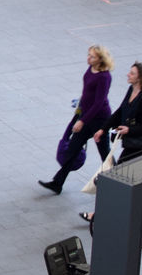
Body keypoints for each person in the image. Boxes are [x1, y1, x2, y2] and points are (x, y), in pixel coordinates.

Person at [40, 45, 114, 194]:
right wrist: (78, 114)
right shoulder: (90, 69)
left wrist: (82, 121)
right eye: (88, 55)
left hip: (99, 119)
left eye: (92, 56)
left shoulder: (104, 77)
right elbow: (86, 93)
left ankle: (118, 179)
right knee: (73, 149)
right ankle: (57, 183)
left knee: (104, 152)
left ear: (100, 59)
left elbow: (99, 103)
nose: (88, 58)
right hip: (86, 116)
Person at [84, 62, 142, 224]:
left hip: (138, 148)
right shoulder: (131, 90)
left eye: (132, 73)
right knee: (118, 180)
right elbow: (119, 112)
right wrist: (103, 129)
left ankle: (99, 214)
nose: (128, 75)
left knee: (116, 179)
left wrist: (129, 130)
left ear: (139, 78)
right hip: (130, 144)